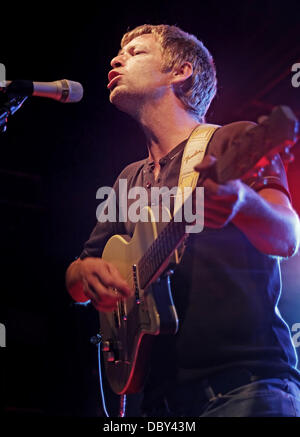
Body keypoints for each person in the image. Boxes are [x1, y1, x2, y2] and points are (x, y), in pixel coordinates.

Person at [65, 24, 300, 417]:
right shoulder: (128, 179)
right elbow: (77, 282)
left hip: (244, 387)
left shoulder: (231, 142)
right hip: (161, 405)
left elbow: (287, 236)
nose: (116, 58)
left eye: (137, 52)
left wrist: (242, 202)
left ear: (181, 71)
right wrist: (82, 273)